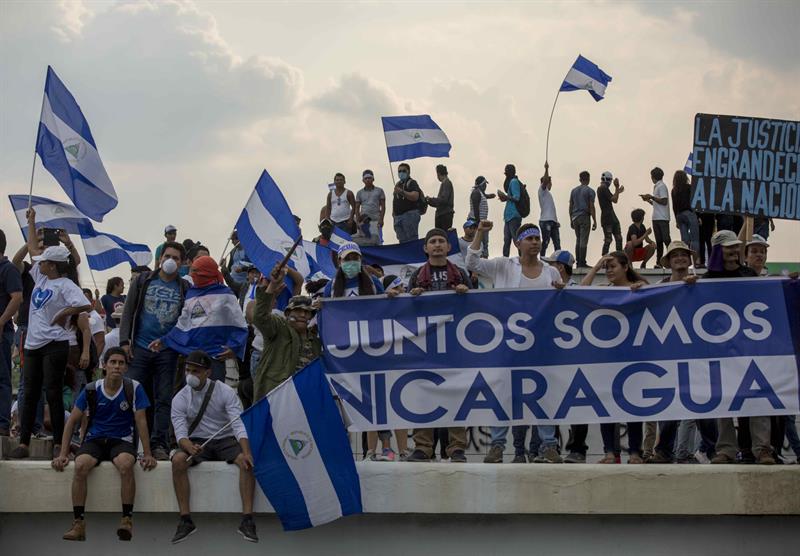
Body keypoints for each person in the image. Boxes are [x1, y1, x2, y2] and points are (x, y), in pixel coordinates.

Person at [467, 221, 563, 463]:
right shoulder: (503, 265)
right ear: (518, 243)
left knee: (544, 395)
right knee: (503, 394)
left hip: (541, 347)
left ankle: (549, 445)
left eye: (537, 239)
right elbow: (472, 263)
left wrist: (563, 292)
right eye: (530, 239)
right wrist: (480, 233)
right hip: (507, 346)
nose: (534, 243)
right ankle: (497, 446)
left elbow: (563, 304)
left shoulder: (551, 272)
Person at [11, 208, 91, 459]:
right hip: (33, 343)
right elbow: (34, 250)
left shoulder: (65, 284)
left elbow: (84, 304)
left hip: (55, 344)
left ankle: (59, 441)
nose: (39, 263)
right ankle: (23, 442)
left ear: (53, 266)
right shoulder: (40, 277)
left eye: (45, 261)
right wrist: (32, 222)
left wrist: (62, 313)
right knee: (31, 390)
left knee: (53, 391)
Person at [52, 347, 156, 541]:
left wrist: (148, 453)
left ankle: (126, 520)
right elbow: (72, 422)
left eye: (121, 363)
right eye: (113, 362)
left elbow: (141, 422)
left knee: (126, 464)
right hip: (95, 439)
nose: (117, 366)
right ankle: (78, 523)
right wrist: (63, 453)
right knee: (81, 465)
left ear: (126, 367)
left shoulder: (133, 388)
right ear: (104, 365)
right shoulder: (92, 389)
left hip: (122, 439)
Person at [170, 350, 257, 543]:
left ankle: (248, 520)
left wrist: (246, 450)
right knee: (177, 461)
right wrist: (190, 447)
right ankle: (185, 520)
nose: (191, 375)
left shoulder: (224, 391)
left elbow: (238, 423)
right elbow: (180, 434)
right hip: (196, 441)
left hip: (225, 439)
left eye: (196, 371)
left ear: (208, 373)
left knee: (246, 462)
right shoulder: (180, 398)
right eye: (188, 370)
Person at [702, 230, 770, 464]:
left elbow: (765, 302)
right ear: (718, 251)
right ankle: (726, 449)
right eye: (729, 248)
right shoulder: (707, 280)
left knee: (758, 397)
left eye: (735, 248)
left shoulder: (748, 274)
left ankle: (762, 449)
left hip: (749, 347)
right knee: (724, 399)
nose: (733, 252)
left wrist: (786, 284)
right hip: (720, 350)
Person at [404, 229, 471, 463]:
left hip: (455, 344)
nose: (437, 245)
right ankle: (423, 447)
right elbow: (404, 312)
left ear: (449, 247)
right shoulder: (416, 277)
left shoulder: (461, 274)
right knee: (423, 393)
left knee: (456, 394)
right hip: (426, 346)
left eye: (441, 241)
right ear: (425, 248)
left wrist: (466, 293)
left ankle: (457, 448)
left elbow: (476, 307)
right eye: (432, 242)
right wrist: (411, 297)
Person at [119, 241, 190, 460]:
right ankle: (125, 441)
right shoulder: (143, 280)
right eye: (167, 256)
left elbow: (186, 321)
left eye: (176, 258)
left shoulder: (184, 287)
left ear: (183, 263)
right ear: (160, 258)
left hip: (167, 352)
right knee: (131, 395)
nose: (170, 260)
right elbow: (128, 311)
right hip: (139, 348)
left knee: (163, 398)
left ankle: (159, 443)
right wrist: (124, 341)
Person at [581, 252, 647, 463]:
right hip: (607, 357)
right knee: (607, 402)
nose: (608, 271)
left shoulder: (640, 286)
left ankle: (635, 452)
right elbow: (581, 290)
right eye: (606, 267)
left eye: (612, 266)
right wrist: (597, 264)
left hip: (634, 354)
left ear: (625, 267)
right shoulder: (603, 292)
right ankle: (610, 452)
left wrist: (641, 290)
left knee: (634, 404)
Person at [151, 256, 248, 382]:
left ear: (207, 273)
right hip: (192, 358)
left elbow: (239, 324)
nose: (192, 274)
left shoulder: (226, 294)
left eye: (196, 271)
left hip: (215, 358)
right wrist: (164, 340)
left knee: (213, 397)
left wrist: (234, 346)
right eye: (192, 270)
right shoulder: (191, 293)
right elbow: (183, 323)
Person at [252, 265, 322, 399]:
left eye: (307, 312)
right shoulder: (278, 328)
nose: (303, 315)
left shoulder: (315, 339)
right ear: (288, 313)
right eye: (298, 310)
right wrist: (272, 284)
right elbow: (260, 317)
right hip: (278, 399)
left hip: (306, 398)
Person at [0, 229, 23, 436]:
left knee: (2, 379)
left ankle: (2, 424)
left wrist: (1, 321)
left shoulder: (8, 269)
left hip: (2, 333)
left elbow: (17, 298)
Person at [640, 167, 671, 267]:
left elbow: (664, 201)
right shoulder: (657, 186)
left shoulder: (661, 186)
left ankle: (671, 258)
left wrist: (651, 197)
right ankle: (659, 262)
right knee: (659, 241)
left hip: (662, 218)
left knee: (666, 239)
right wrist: (648, 200)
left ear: (653, 177)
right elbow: (658, 203)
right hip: (657, 217)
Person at [671, 170, 700, 265]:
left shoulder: (674, 190)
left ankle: (685, 259)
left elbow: (674, 206)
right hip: (689, 213)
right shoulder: (689, 187)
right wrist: (698, 215)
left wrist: (676, 220)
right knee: (695, 238)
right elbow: (694, 202)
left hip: (679, 215)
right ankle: (695, 261)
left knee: (685, 240)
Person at [568, 171, 597, 268]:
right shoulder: (590, 191)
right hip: (584, 216)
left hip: (575, 217)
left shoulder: (573, 191)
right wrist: (594, 220)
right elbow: (591, 206)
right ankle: (582, 262)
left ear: (580, 179)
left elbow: (571, 205)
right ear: (588, 179)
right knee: (583, 240)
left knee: (578, 239)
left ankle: (578, 262)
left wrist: (570, 219)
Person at [497, 164, 523, 257]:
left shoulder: (514, 182)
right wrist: (505, 198)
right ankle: (505, 262)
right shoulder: (511, 182)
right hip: (508, 217)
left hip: (514, 216)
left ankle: (523, 261)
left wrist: (506, 197)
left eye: (507, 172)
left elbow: (517, 197)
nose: (505, 174)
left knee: (517, 241)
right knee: (506, 240)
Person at [392, 163, 423, 243]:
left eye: (403, 171)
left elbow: (415, 196)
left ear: (408, 172)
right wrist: (394, 214)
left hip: (410, 215)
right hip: (398, 217)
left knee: (411, 240)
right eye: (399, 171)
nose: (401, 173)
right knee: (402, 241)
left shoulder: (412, 182)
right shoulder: (398, 184)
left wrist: (402, 192)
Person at [354, 169, 386, 246]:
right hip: (363, 221)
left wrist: (381, 219)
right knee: (364, 241)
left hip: (375, 220)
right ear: (363, 180)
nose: (368, 180)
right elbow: (357, 208)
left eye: (369, 178)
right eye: (366, 178)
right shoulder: (359, 192)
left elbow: (383, 206)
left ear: (373, 179)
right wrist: (358, 221)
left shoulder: (379, 191)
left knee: (376, 241)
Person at [597, 171, 624, 256]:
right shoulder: (603, 188)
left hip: (608, 217)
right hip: (608, 217)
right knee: (612, 239)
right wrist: (616, 188)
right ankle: (617, 258)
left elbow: (612, 197)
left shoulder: (602, 188)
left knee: (611, 239)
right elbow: (614, 199)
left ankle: (606, 258)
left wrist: (618, 191)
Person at [468, 176, 494, 257]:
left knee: (484, 244)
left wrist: (490, 196)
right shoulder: (476, 193)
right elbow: (476, 209)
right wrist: (478, 223)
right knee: (479, 243)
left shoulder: (480, 192)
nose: (486, 186)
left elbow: (484, 196)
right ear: (481, 185)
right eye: (485, 184)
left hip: (482, 221)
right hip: (476, 221)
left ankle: (484, 260)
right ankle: (480, 260)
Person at [539, 162, 561, 256]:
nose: (551, 184)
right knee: (546, 241)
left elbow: (551, 209)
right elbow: (544, 181)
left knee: (557, 243)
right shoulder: (542, 190)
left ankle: (559, 259)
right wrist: (546, 169)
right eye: (550, 182)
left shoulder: (548, 194)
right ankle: (542, 258)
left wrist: (556, 220)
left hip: (552, 221)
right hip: (545, 220)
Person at [426, 164, 455, 231]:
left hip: (444, 214)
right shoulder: (445, 183)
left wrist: (431, 199)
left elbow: (443, 200)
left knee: (443, 235)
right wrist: (429, 201)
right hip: (442, 214)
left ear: (438, 173)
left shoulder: (447, 183)